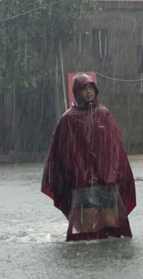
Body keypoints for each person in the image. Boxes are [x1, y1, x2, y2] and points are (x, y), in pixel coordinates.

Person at [42, 73, 136, 241]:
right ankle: (88, 257)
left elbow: (115, 146)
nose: (88, 92)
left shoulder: (104, 114)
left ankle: (105, 255)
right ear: (77, 91)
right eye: (84, 88)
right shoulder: (69, 119)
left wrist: (114, 172)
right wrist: (75, 173)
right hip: (83, 181)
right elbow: (61, 151)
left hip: (106, 179)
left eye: (91, 88)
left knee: (109, 220)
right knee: (87, 221)